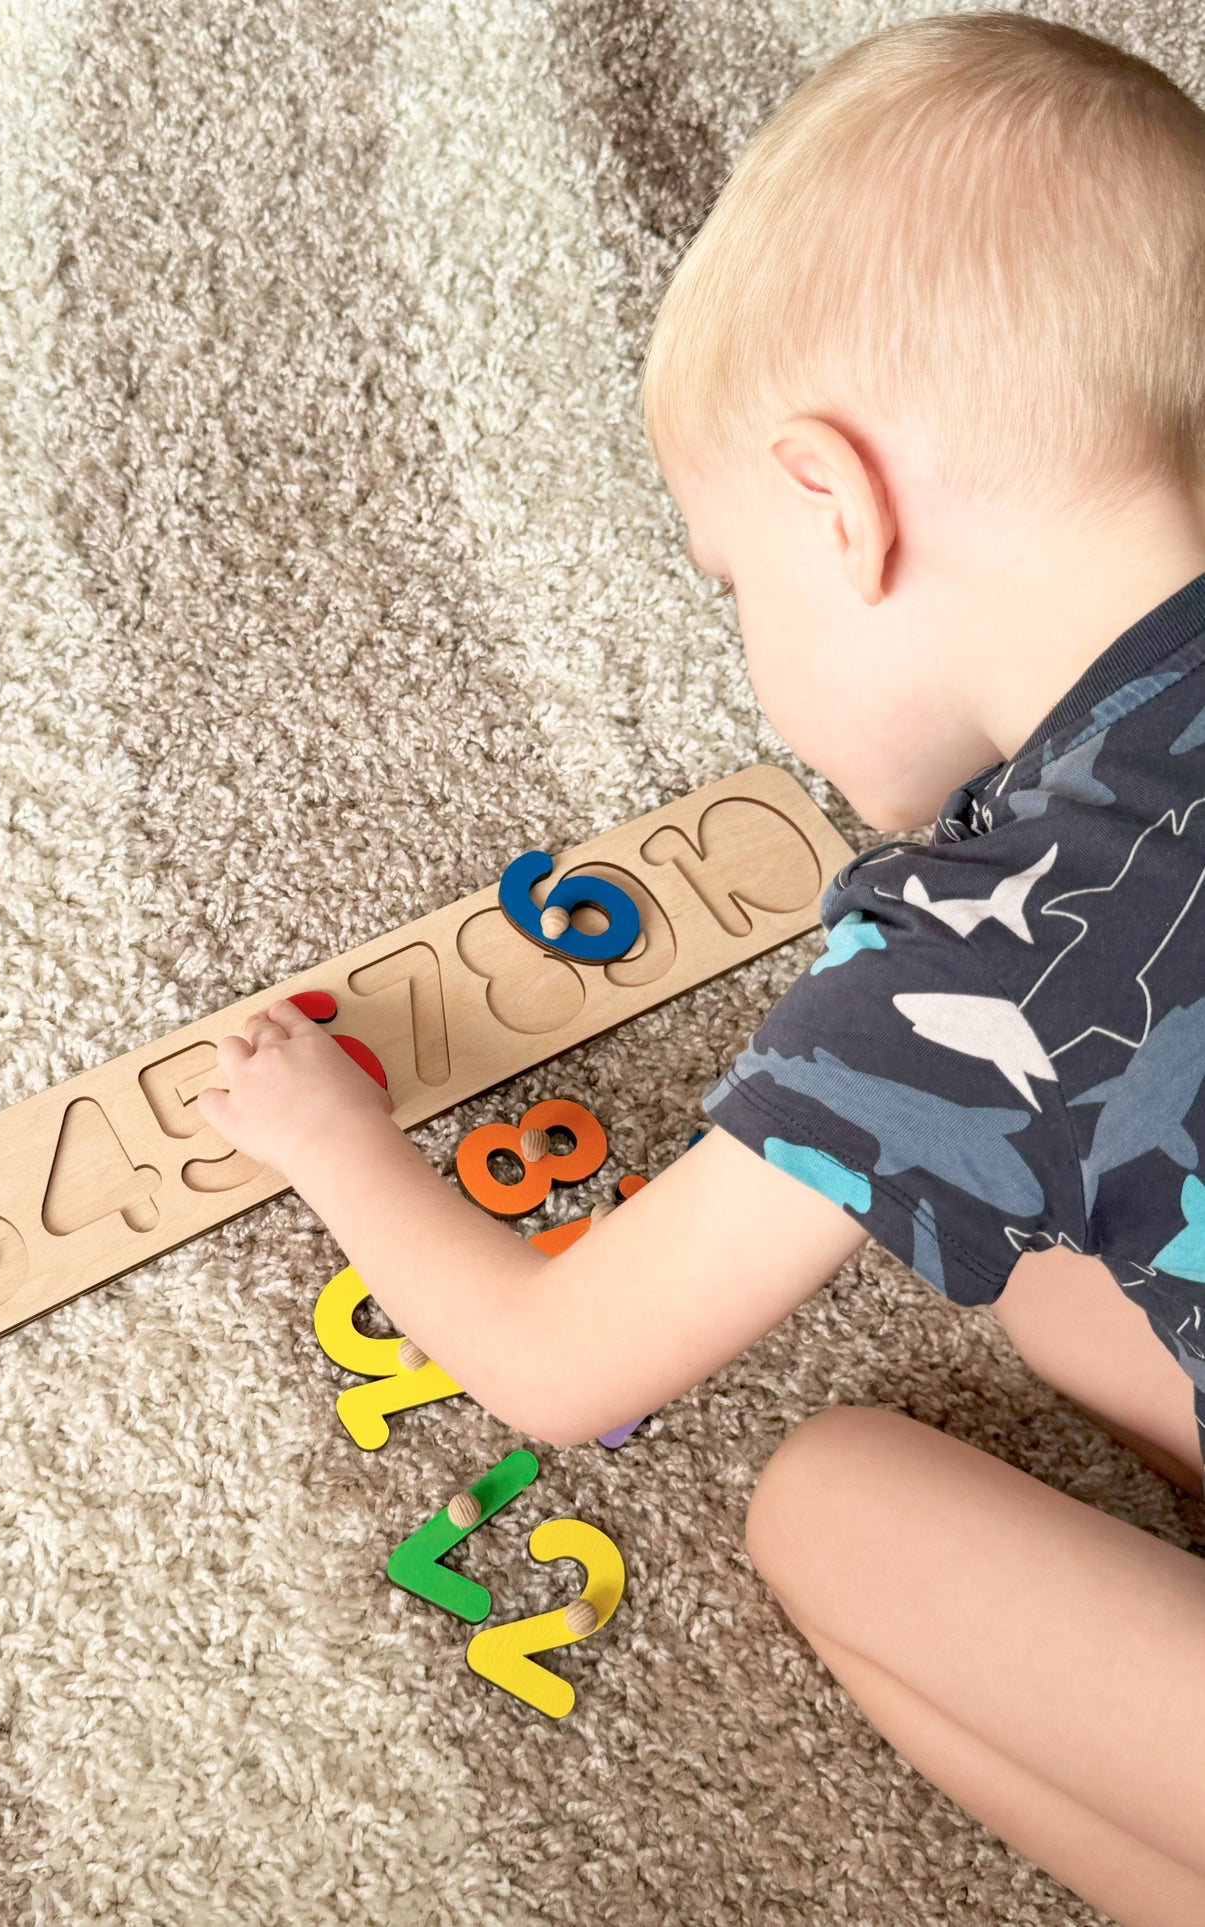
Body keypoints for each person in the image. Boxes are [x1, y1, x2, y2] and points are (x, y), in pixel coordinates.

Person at [196, 14, 1205, 1924]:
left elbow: (567, 1366)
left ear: (840, 506)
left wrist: (331, 1145)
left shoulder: (984, 953)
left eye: (731, 584)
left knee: (828, 1503)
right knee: (1062, 1283)